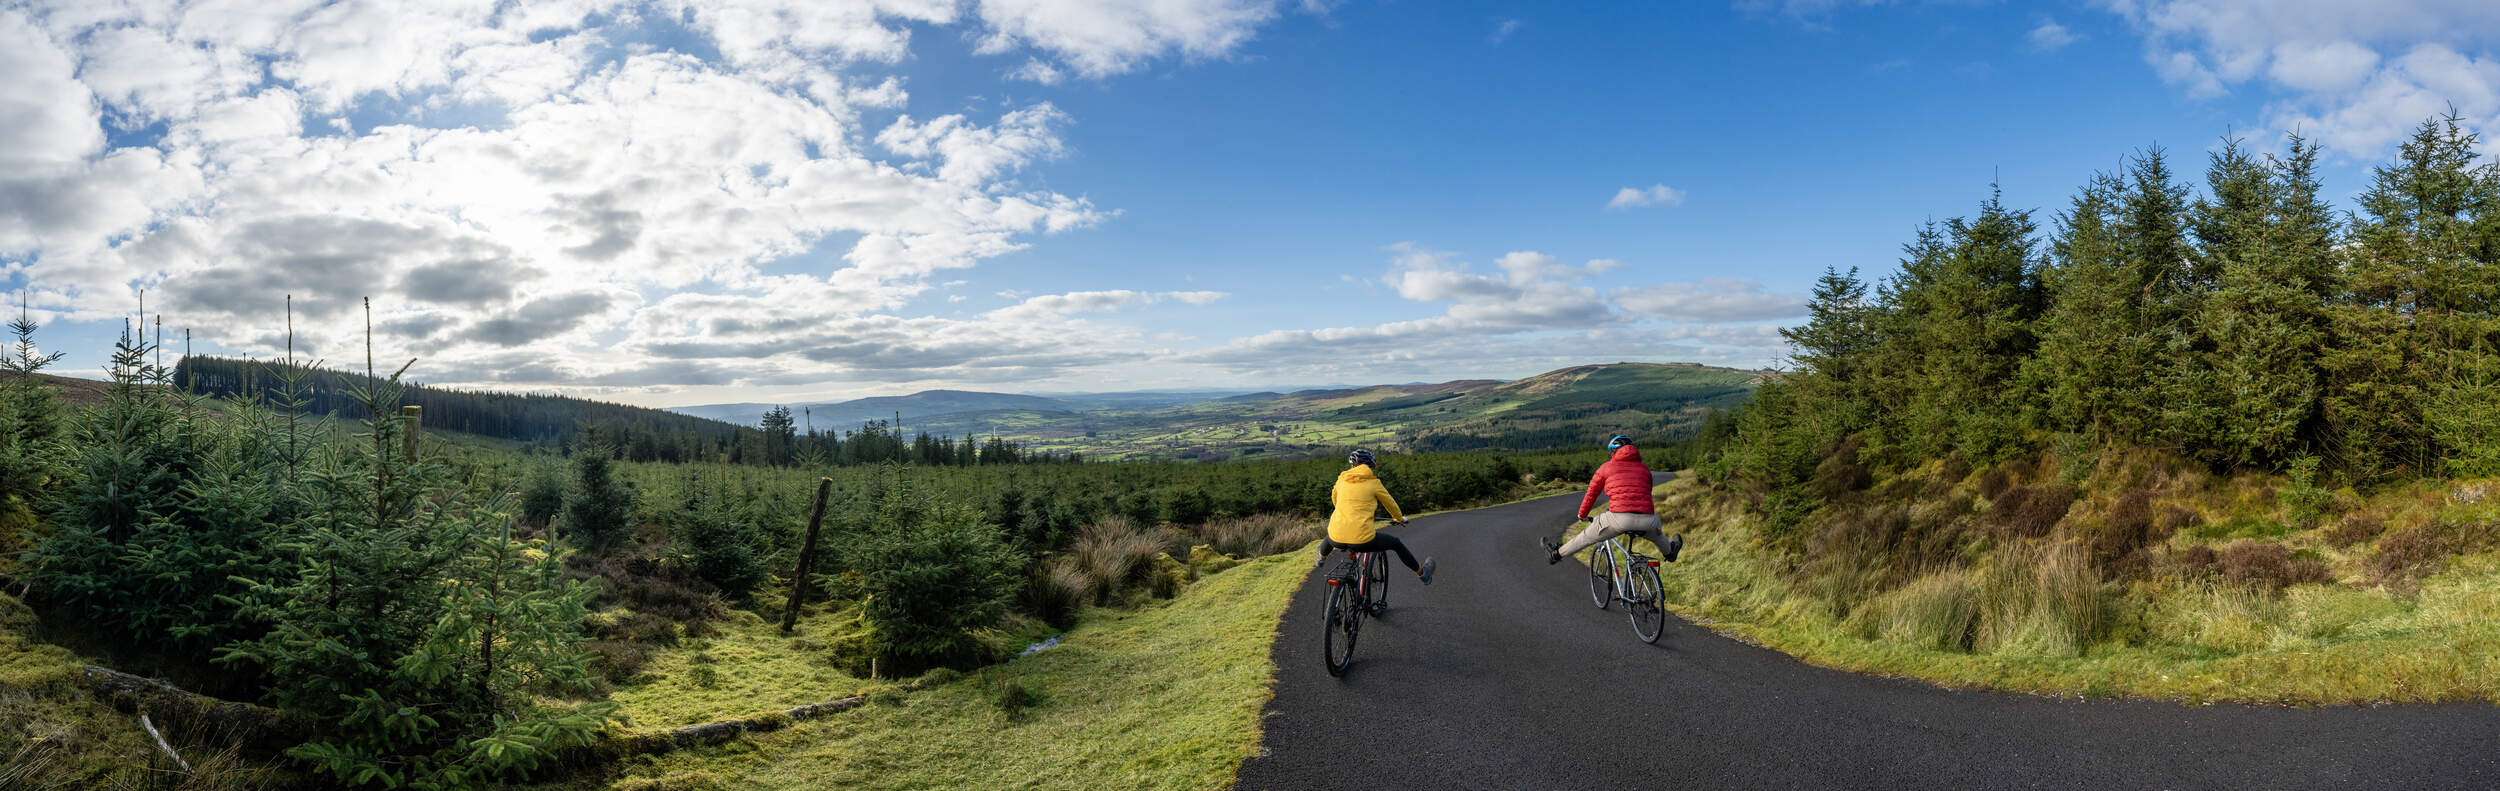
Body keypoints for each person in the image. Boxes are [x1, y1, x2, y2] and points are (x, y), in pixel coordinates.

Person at [1545, 435, 1683, 565]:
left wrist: (1582, 515)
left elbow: (1591, 494)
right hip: (1648, 519)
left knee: (1586, 536)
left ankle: (1556, 554)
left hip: (1619, 519)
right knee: (1657, 535)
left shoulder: (1606, 467)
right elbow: (1645, 492)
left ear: (1612, 452)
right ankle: (1669, 553)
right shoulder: (1645, 469)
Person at [1316, 449, 1436, 584]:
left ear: (1352, 465)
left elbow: (1334, 498)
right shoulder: (1374, 483)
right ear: (1370, 466)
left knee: (1331, 535)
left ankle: (1321, 558)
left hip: (1335, 538)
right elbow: (1390, 504)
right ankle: (1422, 574)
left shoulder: (1341, 480)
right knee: (1396, 544)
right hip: (1363, 540)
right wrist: (1398, 518)